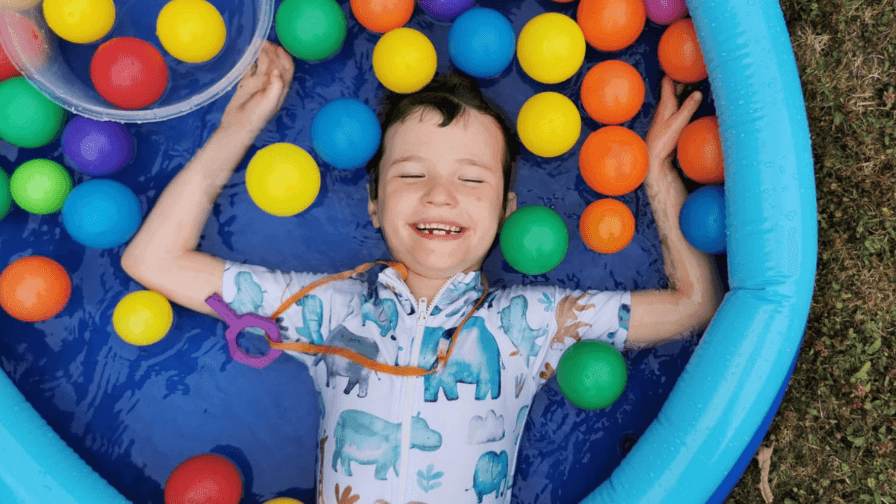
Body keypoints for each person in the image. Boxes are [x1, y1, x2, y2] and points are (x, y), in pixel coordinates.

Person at [121, 41, 723, 504]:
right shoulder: (327, 310)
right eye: (411, 175)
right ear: (375, 204)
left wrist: (657, 178)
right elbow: (152, 260)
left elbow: (694, 305)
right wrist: (238, 128)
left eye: (471, 179)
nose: (439, 194)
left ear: (506, 210)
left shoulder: (531, 323)